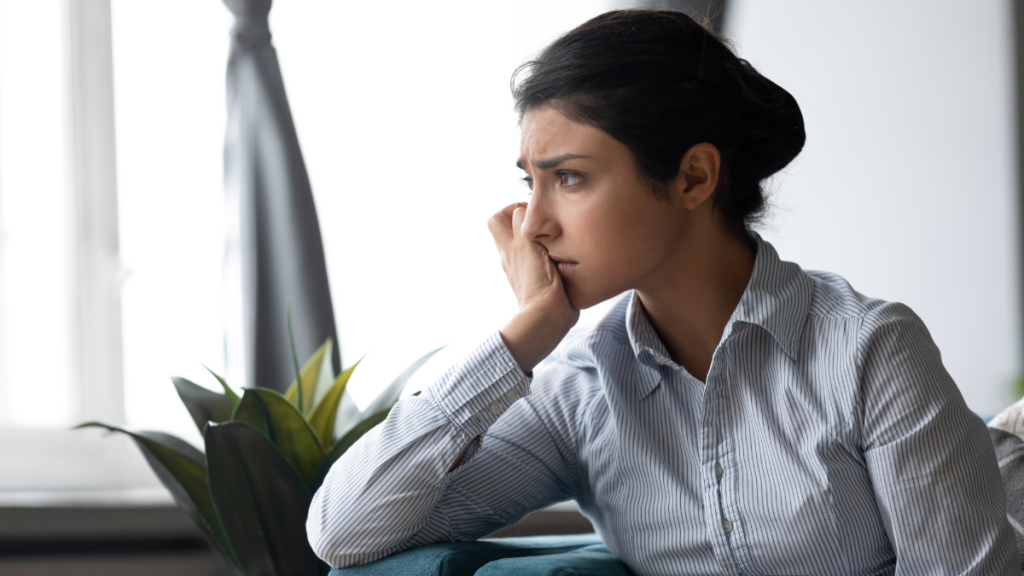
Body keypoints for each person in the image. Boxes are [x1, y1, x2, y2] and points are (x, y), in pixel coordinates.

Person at [307, 9, 1017, 575]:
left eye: (571, 177)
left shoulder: (867, 350)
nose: (534, 223)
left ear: (692, 179)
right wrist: (522, 338)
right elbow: (344, 532)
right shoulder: (579, 394)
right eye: (532, 182)